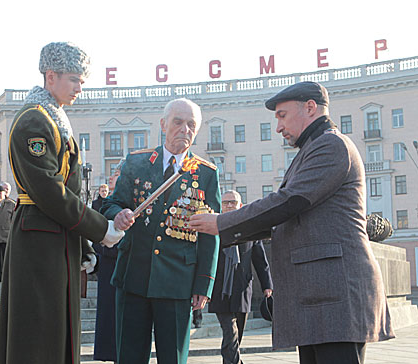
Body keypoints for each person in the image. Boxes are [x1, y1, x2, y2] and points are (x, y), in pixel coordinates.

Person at [190, 81, 395, 364]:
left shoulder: (331, 145)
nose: (278, 127)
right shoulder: (311, 149)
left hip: (335, 297)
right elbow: (282, 220)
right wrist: (220, 229)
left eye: (282, 115)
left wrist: (222, 223)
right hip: (320, 297)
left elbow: (289, 202)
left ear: (310, 108)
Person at [0, 42, 123, 364]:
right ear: (51, 76)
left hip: (56, 236)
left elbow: (70, 192)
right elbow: (49, 191)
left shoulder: (53, 118)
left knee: (56, 329)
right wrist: (100, 229)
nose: (80, 87)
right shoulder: (34, 121)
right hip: (39, 238)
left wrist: (83, 247)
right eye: (74, 79)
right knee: (37, 333)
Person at [102, 98, 221, 364]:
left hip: (178, 281)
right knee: (129, 356)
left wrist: (204, 283)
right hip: (134, 275)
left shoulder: (205, 174)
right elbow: (113, 203)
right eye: (178, 122)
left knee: (173, 358)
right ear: (163, 124)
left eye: (191, 125)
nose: (185, 130)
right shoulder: (138, 163)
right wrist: (117, 215)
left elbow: (210, 232)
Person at [209, 190, 273, 364]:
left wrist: (267, 285)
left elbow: (260, 259)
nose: (229, 205)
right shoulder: (213, 229)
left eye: (233, 202)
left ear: (240, 206)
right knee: (230, 332)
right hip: (220, 290)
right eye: (226, 202)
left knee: (238, 334)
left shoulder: (250, 230)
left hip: (242, 289)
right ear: (221, 206)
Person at [92, 162, 124, 363]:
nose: (111, 178)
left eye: (117, 174)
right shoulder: (104, 203)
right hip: (108, 263)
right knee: (108, 317)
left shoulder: (132, 201)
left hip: (126, 263)